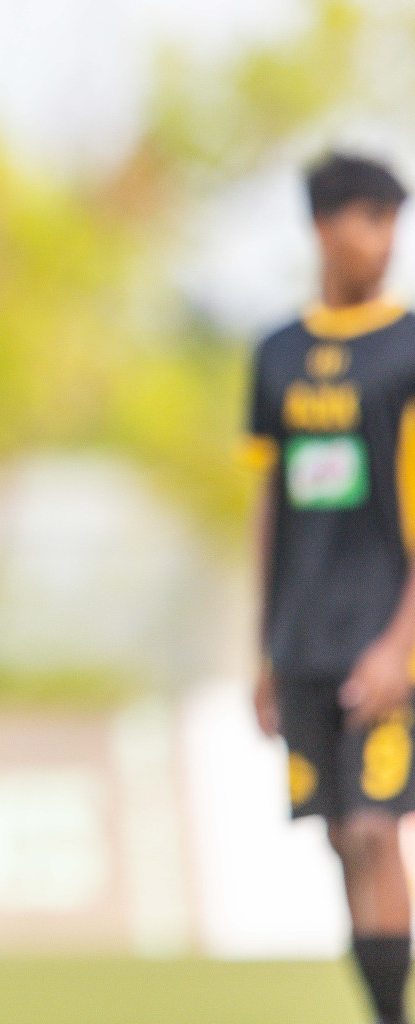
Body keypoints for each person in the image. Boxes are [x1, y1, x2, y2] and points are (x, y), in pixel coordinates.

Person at [248, 152, 415, 1024]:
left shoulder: (411, 347)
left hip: (385, 635)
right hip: (303, 640)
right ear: (323, 227)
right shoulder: (277, 354)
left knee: (374, 827)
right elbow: (269, 504)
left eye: (393, 222)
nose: (384, 241)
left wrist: (401, 644)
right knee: (341, 839)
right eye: (369, 220)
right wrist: (262, 651)